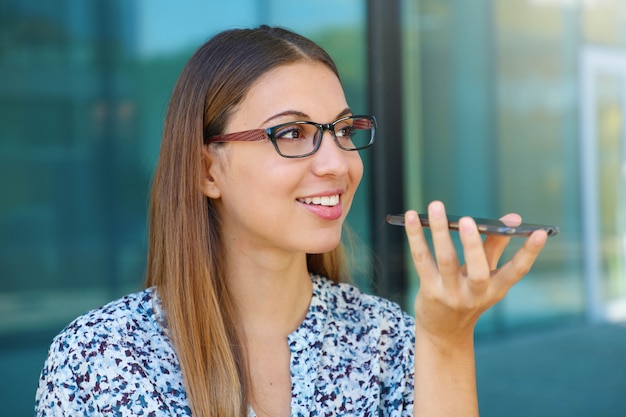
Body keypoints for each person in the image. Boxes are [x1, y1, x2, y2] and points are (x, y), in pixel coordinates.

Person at [35, 25, 547, 417]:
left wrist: (448, 340)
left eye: (344, 130)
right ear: (205, 169)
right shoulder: (101, 358)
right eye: (293, 133)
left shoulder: (389, 339)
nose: (338, 163)